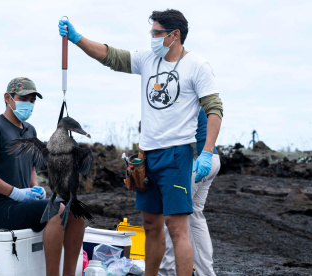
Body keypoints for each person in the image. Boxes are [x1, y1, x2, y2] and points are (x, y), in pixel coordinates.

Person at [58, 9, 223, 276]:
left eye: (157, 33)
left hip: (178, 153)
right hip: (147, 156)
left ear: (175, 35)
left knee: (177, 226)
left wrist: (206, 152)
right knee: (149, 224)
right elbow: (110, 56)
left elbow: (214, 108)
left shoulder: (197, 66)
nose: (152, 38)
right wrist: (78, 39)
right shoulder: (148, 59)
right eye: (152, 33)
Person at [0, 77, 85, 276]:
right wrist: (14, 192)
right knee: (56, 211)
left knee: (76, 211)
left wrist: (35, 188)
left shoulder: (29, 130)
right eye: (24, 98)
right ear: (8, 98)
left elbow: (31, 166)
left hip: (19, 205)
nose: (29, 104)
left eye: (33, 100)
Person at [159, 108, 221, 276]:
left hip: (196, 162)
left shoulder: (180, 102)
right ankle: (206, 273)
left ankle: (167, 271)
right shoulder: (192, 101)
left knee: (174, 216)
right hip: (211, 158)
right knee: (195, 216)